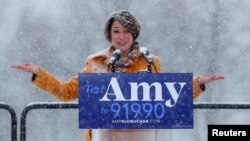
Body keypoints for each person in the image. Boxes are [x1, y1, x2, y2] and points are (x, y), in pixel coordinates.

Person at [12, 10, 225, 141]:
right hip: (104, 137)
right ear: (109, 34)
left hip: (140, 137)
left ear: (134, 34)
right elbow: (67, 92)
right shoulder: (95, 63)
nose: (121, 36)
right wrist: (39, 74)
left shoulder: (150, 62)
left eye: (126, 31)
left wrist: (197, 84)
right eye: (116, 31)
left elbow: (167, 98)